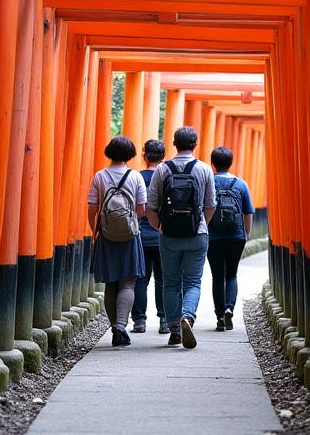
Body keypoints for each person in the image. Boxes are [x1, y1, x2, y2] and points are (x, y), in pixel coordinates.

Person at [147, 126, 216, 349]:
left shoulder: (162, 170)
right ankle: (188, 316)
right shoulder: (204, 169)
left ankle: (175, 328)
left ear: (174, 144)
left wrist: (161, 227)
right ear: (195, 144)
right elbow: (210, 204)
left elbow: (150, 207)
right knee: (193, 281)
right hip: (197, 234)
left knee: (170, 283)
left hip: (168, 235)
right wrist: (200, 224)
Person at [88, 136, 147, 347]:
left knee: (111, 283)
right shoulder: (136, 177)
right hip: (130, 236)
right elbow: (141, 209)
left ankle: (114, 328)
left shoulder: (100, 176)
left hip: (106, 235)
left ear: (109, 152)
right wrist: (129, 222)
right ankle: (122, 326)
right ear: (130, 154)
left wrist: (97, 230)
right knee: (128, 282)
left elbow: (92, 208)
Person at [207, 146, 254, 331]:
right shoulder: (241, 184)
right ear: (230, 163)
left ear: (213, 163)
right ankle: (229, 308)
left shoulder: (209, 182)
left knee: (217, 277)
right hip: (236, 236)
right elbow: (248, 212)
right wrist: (246, 234)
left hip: (213, 236)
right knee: (232, 274)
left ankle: (219, 317)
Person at [131, 139, 169, 334]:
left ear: (144, 155)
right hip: (162, 235)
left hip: (140, 236)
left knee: (140, 280)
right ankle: (164, 320)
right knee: (163, 280)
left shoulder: (136, 177)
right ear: (163, 156)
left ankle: (139, 321)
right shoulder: (167, 177)